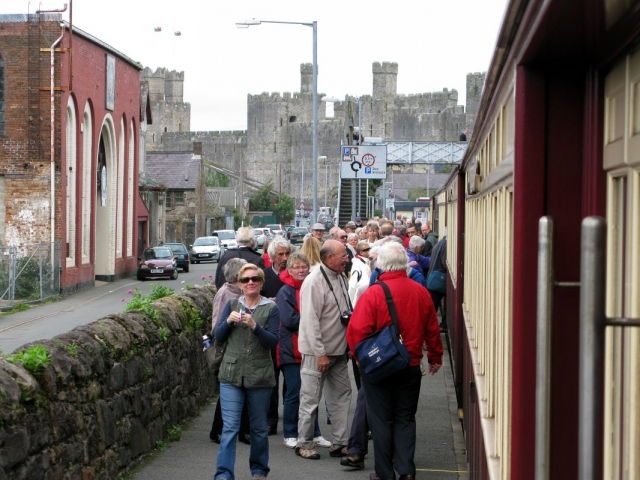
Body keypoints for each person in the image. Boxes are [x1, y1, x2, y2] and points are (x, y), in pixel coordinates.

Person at [346, 242, 443, 480]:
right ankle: (406, 470)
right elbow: (432, 328)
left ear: (381, 265)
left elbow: (357, 330)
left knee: (381, 420)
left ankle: (384, 473)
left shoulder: (374, 293)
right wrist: (435, 357)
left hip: (380, 367)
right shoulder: (420, 291)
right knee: (405, 418)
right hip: (409, 364)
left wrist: (359, 358)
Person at [214, 264, 280, 480]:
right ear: (240, 284)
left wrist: (255, 326)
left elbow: (273, 341)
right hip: (231, 375)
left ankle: (259, 470)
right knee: (230, 428)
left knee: (259, 429)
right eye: (245, 280)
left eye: (254, 279)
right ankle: (224, 474)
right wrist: (227, 322)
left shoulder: (271, 308)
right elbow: (218, 336)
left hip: (259, 376)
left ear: (261, 283)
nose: (250, 283)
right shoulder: (232, 304)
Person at [296, 240, 352, 460]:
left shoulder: (340, 277)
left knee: (341, 397)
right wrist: (320, 353)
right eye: (343, 256)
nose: (347, 259)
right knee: (310, 400)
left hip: (339, 352)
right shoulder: (313, 282)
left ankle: (340, 442)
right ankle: (304, 443)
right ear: (329, 258)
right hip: (316, 354)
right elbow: (310, 322)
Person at [276, 252, 331, 450]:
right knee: (294, 392)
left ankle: (313, 433)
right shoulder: (285, 292)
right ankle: (290, 433)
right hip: (291, 349)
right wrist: (315, 321)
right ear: (289, 271)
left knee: (312, 394)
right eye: (296, 267)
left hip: (311, 348)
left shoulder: (313, 286)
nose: (301, 270)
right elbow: (290, 321)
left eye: (304, 266)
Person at [210, 258, 250, 445]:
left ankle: (243, 431)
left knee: (243, 388)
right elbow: (217, 325)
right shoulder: (225, 293)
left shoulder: (242, 292)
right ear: (237, 275)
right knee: (228, 392)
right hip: (227, 350)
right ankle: (217, 430)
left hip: (243, 348)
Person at [261, 236, 295, 436]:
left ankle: (290, 420)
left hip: (291, 337)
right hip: (271, 335)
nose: (284, 258)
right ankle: (270, 420)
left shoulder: (296, 276)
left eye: (287, 253)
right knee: (271, 381)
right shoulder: (263, 276)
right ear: (272, 256)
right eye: (281, 254)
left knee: (291, 383)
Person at [426, 236, 447, 331]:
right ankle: (431, 327)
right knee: (433, 306)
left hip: (433, 279)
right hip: (439, 281)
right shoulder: (445, 245)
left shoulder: (439, 244)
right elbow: (445, 262)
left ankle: (429, 327)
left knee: (432, 306)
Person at [348, 241, 371, 306]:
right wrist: (351, 305)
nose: (370, 250)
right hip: (359, 300)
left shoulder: (367, 261)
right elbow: (352, 286)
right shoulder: (357, 265)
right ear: (361, 252)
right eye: (367, 249)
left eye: (370, 248)